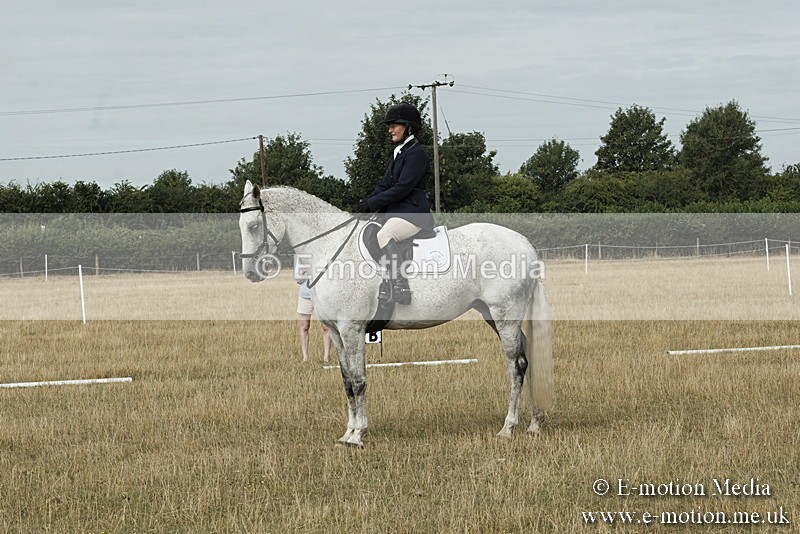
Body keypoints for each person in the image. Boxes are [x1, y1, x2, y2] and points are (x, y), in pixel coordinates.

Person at [354, 102, 435, 305]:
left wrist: (372, 205)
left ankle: (401, 285)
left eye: (394, 125)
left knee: (384, 234)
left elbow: (402, 188)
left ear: (408, 126)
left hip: (413, 214)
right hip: (398, 213)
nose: (390, 130)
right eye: (389, 126)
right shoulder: (400, 152)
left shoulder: (416, 153)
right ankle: (385, 281)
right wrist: (364, 204)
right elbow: (384, 185)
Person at [295, 265, 331, 363]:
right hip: (305, 295)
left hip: (322, 296)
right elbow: (297, 279)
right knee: (305, 326)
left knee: (326, 326)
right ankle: (305, 357)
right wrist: (303, 273)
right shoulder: (301, 258)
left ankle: (326, 357)